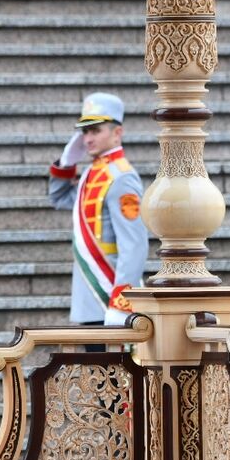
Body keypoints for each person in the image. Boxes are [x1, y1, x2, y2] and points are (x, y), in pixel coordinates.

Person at [48, 92, 149, 331]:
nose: (87, 139)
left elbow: (134, 245)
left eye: (96, 131)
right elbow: (59, 197)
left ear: (117, 133)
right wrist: (66, 163)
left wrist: (121, 302)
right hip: (90, 295)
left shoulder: (122, 177)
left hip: (110, 295)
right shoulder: (91, 173)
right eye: (85, 132)